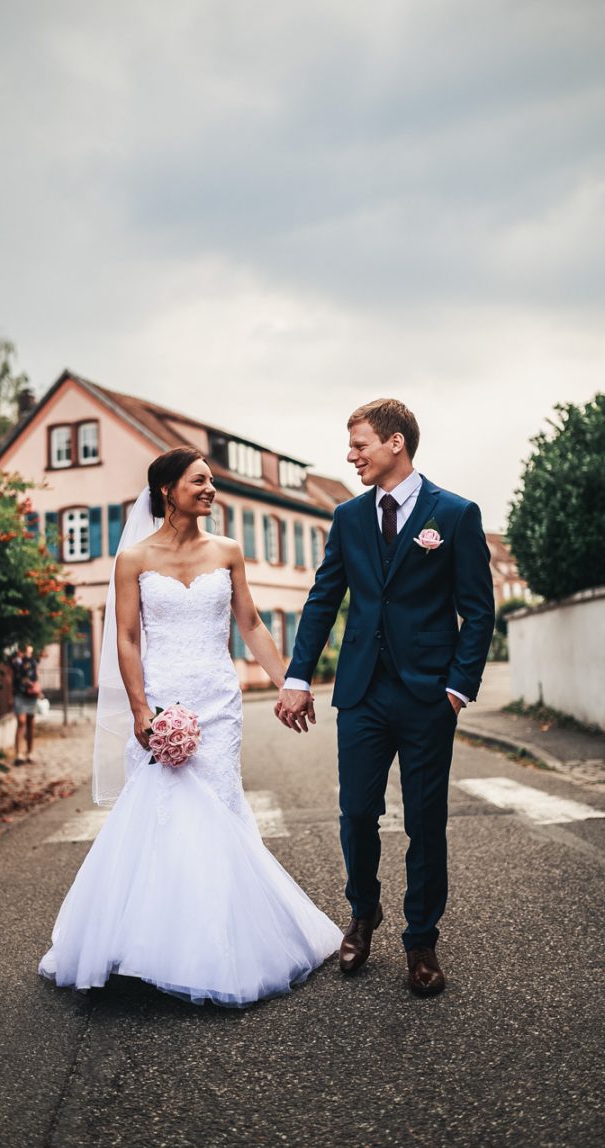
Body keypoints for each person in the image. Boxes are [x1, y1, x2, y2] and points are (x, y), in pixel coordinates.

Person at [38, 447, 341, 1006]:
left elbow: (248, 623)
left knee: (218, 808)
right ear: (167, 491)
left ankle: (218, 941)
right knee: (161, 813)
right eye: (198, 481)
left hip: (218, 703)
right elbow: (126, 638)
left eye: (210, 481)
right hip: (159, 700)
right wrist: (138, 709)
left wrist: (289, 682)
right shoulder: (131, 559)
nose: (210, 490)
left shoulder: (227, 551)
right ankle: (146, 942)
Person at [276, 399, 494, 996]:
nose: (351, 456)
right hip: (363, 693)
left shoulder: (454, 514)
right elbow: (324, 599)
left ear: (395, 443)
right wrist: (298, 677)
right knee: (356, 814)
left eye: (360, 444)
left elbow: (477, 611)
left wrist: (456, 689)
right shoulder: (348, 517)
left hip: (429, 697)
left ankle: (421, 938)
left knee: (425, 821)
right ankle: (362, 913)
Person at [11, 643, 41, 766]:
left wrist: (38, 689)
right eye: (27, 648)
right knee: (21, 721)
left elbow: (36, 676)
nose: (29, 650)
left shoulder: (33, 661)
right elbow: (14, 675)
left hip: (31, 695)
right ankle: (18, 754)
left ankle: (30, 752)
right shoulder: (16, 661)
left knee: (31, 723)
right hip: (20, 694)